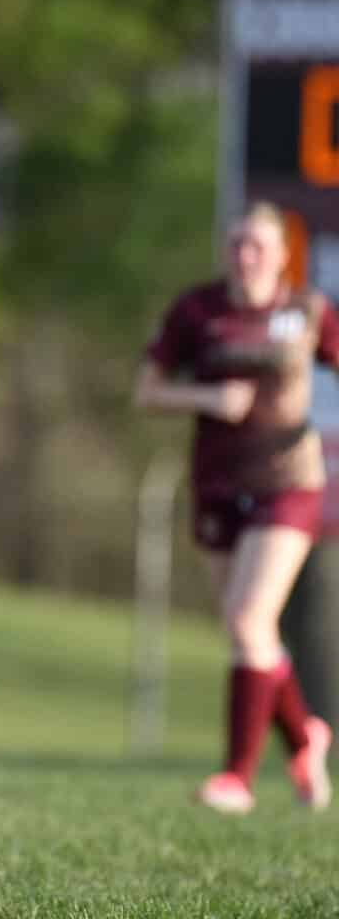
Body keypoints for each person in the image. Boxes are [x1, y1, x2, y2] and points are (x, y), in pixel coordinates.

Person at [135, 201, 335, 815]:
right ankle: (306, 737)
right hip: (219, 486)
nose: (246, 254)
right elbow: (146, 391)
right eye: (238, 243)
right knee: (249, 629)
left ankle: (236, 779)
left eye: (259, 245)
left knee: (249, 621)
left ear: (282, 255)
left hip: (290, 482)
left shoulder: (307, 311)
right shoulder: (198, 310)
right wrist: (206, 394)